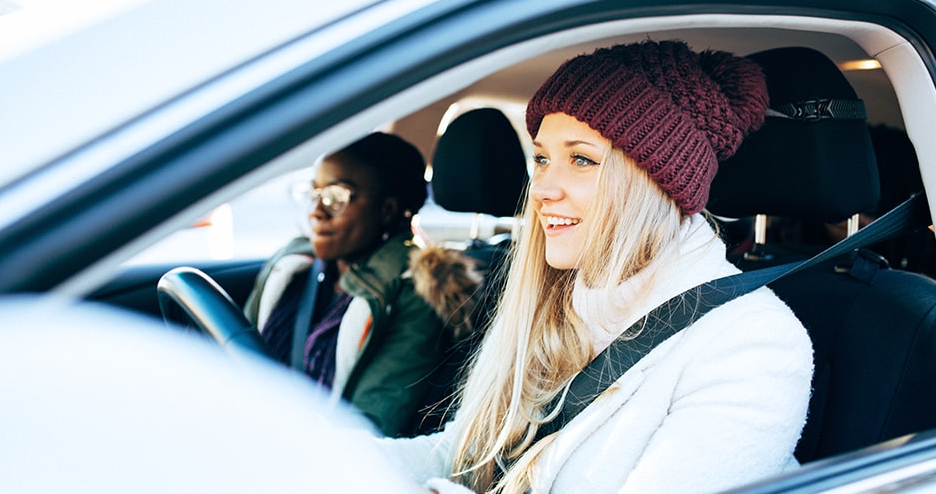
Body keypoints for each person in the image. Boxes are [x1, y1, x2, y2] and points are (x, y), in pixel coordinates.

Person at [376, 41, 814, 493]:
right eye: (542, 158)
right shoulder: (552, 301)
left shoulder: (754, 343)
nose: (543, 188)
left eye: (581, 160)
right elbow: (460, 454)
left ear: (655, 182)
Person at [244, 132, 481, 437]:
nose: (316, 212)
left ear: (387, 209)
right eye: (314, 194)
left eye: (336, 197)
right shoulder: (291, 265)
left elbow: (372, 424)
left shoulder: (413, 291)